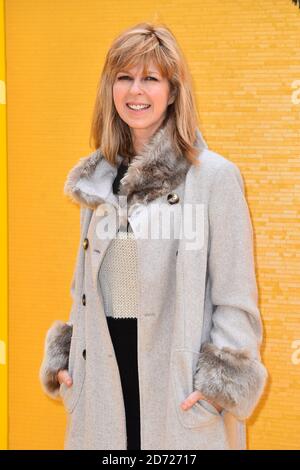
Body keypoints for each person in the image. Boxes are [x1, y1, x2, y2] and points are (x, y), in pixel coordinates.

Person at [39, 22, 268, 450]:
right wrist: (69, 360)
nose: (135, 91)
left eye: (150, 78)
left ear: (173, 90)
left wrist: (217, 389)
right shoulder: (100, 181)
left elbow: (236, 298)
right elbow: (91, 289)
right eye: (124, 77)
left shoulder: (213, 178)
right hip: (104, 388)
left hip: (176, 395)